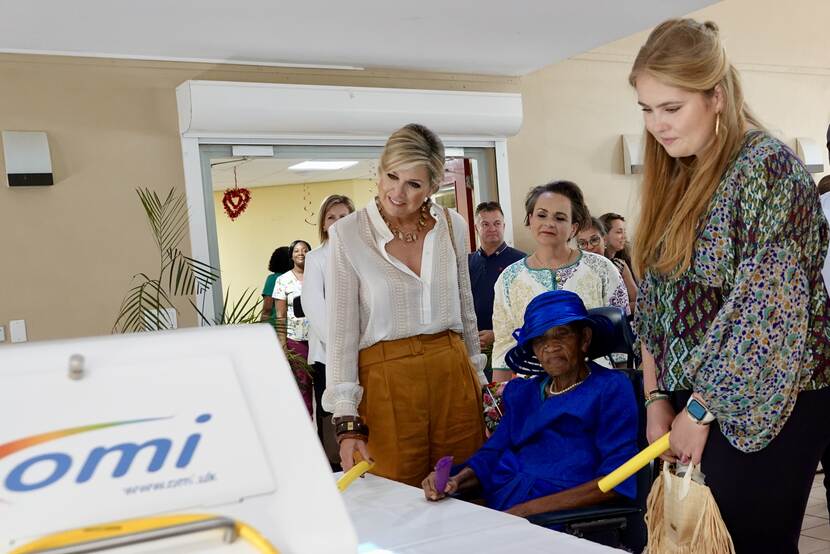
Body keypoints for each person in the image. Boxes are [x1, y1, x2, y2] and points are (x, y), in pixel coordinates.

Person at [631, 19, 830, 553]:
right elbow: (653, 307)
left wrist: (697, 410)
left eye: (671, 108)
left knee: (744, 543)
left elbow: (766, 314)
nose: (657, 125)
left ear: (716, 96)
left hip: (770, 401)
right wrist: (655, 399)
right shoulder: (675, 173)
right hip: (688, 399)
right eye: (647, 110)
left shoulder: (769, 170)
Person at [323, 123, 487, 486]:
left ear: (433, 185)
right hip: (386, 380)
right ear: (378, 172)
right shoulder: (347, 233)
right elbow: (341, 333)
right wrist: (347, 422)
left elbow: (466, 310)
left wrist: (479, 380)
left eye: (413, 184)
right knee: (395, 496)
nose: (397, 193)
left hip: (452, 370)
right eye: (391, 176)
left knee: (463, 490)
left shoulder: (453, 225)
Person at [422, 290, 638, 516]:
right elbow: (493, 454)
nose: (550, 347)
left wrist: (526, 511)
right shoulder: (523, 393)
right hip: (505, 503)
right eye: (540, 339)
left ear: (584, 338)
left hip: (564, 516)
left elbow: (617, 480)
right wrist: (455, 481)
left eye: (561, 334)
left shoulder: (610, 388)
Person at [490, 181, 629, 382]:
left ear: (573, 228)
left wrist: (620, 387)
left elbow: (620, 341)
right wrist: (501, 402)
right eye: (541, 215)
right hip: (534, 390)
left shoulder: (602, 269)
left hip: (597, 385)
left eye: (560, 217)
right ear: (530, 219)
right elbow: (503, 346)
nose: (549, 223)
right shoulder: (509, 278)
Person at [302, 194, 355, 466]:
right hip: (329, 354)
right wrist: (339, 346)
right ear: (323, 224)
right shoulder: (316, 258)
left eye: (343, 217)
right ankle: (337, 468)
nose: (337, 223)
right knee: (333, 416)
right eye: (331, 217)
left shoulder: (363, 253)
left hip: (362, 349)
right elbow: (313, 306)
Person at [468, 201, 526, 382]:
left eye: (497, 223)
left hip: (510, 348)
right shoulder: (466, 263)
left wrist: (497, 334)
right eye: (485, 224)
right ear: (476, 227)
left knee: (504, 404)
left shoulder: (522, 262)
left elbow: (526, 310)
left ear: (504, 226)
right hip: (472, 349)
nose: (492, 228)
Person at [274, 239, 313, 416]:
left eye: (305, 250)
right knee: (302, 386)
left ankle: (325, 434)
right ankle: (307, 427)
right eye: (297, 250)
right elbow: (280, 315)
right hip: (295, 342)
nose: (301, 253)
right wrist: (283, 344)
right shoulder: (283, 280)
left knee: (322, 386)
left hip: (319, 340)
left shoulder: (317, 276)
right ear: (291, 255)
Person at [577, 217, 637, 314]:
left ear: (604, 240)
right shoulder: (575, 272)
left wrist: (617, 309)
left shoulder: (619, 266)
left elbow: (639, 301)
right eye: (582, 243)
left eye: (594, 240)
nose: (590, 246)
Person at [259, 246, 292, 325]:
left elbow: (267, 307)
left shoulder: (273, 279)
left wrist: (261, 326)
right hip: (295, 327)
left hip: (277, 327)